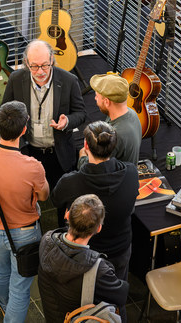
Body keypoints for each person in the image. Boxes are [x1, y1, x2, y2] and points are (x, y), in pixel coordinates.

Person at [0, 101, 48, 323]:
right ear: (24, 129)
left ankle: (3, 304)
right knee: (20, 288)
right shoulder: (32, 166)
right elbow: (44, 196)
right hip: (25, 234)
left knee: (0, 270)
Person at [52, 121, 138, 282]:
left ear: (86, 145)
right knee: (117, 290)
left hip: (84, 253)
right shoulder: (131, 172)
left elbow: (55, 200)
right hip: (120, 249)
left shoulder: (70, 182)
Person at [1, 40, 87, 190]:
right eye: (34, 66)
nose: (40, 72)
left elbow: (81, 113)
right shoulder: (16, 79)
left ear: (52, 59)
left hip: (59, 154)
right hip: (28, 152)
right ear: (26, 63)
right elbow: (5, 111)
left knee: (61, 194)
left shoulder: (69, 80)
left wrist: (67, 121)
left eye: (45, 65)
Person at [38, 194, 129, 323]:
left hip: (52, 316)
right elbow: (120, 296)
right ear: (98, 228)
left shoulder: (46, 240)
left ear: (67, 215)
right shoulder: (98, 270)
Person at [79, 73, 140, 168]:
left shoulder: (116, 135)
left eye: (97, 96)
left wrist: (82, 154)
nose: (95, 99)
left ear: (107, 102)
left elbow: (93, 168)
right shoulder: (132, 113)